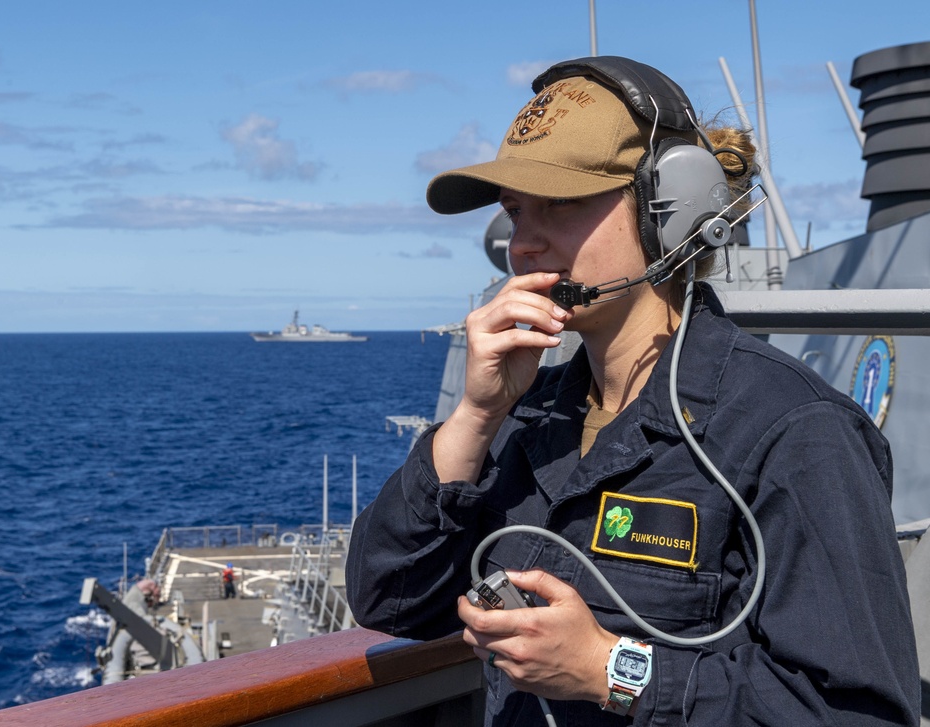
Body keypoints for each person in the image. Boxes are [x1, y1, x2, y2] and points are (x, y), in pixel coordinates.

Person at [346, 56, 920, 726]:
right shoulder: (528, 415)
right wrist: (476, 414)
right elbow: (387, 596)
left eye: (558, 204)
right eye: (514, 212)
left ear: (666, 212)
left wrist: (609, 668)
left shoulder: (794, 431)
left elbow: (858, 713)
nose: (523, 245)